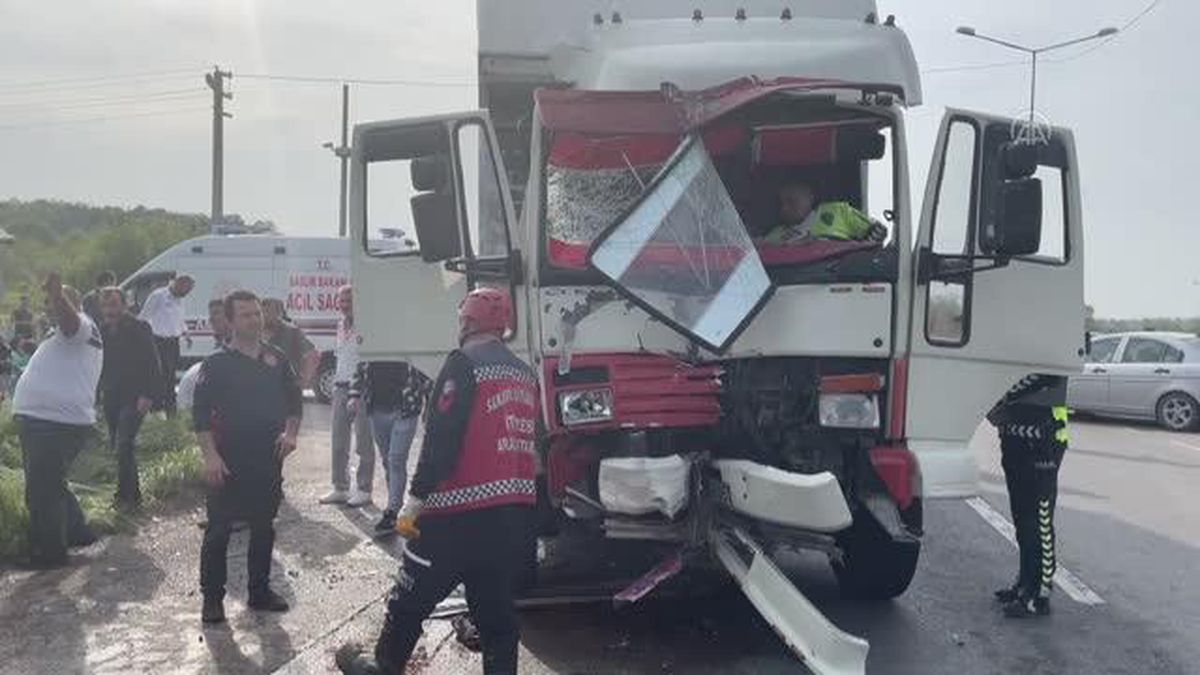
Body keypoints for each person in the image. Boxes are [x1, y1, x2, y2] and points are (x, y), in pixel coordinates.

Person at [336, 287, 540, 675]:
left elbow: (442, 436)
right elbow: (533, 447)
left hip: (453, 515)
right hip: (508, 518)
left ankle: (382, 666)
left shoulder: (463, 363)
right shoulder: (524, 374)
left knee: (408, 603)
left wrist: (416, 498)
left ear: (466, 322)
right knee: (496, 615)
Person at [193, 290, 302, 624]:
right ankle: (212, 599)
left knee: (263, 527)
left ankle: (259, 592)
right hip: (226, 460)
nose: (254, 319)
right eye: (245, 315)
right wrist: (210, 457)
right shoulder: (216, 365)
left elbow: (294, 401)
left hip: (266, 457)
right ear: (230, 320)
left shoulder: (276, 359)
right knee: (218, 532)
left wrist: (291, 434)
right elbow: (199, 417)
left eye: (256, 313)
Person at [11, 273, 104, 568]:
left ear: (71, 303)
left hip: (53, 423)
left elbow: (70, 320)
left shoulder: (81, 325)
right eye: (48, 301)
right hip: (44, 421)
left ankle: (50, 554)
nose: (49, 306)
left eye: (54, 301)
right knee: (51, 483)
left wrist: (57, 294)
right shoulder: (63, 335)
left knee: (43, 490)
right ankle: (78, 532)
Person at [987, 374, 1069, 618]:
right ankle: (1024, 582)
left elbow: (1042, 376)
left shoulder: (1051, 344)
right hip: (1016, 436)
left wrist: (997, 394)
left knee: (1039, 519)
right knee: (1023, 518)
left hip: (1043, 439)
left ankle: (1038, 593)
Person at [349, 360, 432, 536]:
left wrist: (430, 403)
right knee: (388, 460)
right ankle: (395, 504)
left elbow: (425, 371)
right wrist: (354, 395)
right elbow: (360, 368)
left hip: (405, 409)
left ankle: (393, 511)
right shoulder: (376, 344)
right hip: (377, 409)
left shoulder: (407, 340)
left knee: (396, 460)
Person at [98, 287, 162, 509]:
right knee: (118, 445)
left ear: (124, 306)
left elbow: (153, 364)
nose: (109, 310)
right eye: (105, 305)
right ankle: (125, 493)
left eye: (114, 304)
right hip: (112, 396)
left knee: (123, 444)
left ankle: (130, 498)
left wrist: (148, 395)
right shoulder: (102, 330)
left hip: (135, 397)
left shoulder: (139, 328)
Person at [320, 285, 375, 508]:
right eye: (341, 301)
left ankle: (364, 489)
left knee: (363, 440)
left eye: (348, 301)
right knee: (338, 440)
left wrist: (360, 388)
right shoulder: (340, 323)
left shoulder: (368, 324)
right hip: (340, 386)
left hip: (361, 388)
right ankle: (340, 487)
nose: (343, 305)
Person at [762, 181, 887, 244]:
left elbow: (876, 233)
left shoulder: (838, 211)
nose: (785, 208)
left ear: (810, 196)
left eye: (792, 201)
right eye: (781, 203)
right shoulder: (776, 234)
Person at [138, 274, 194, 415]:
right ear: (178, 284)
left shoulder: (179, 300)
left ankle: (170, 411)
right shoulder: (159, 296)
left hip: (173, 342)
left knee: (171, 376)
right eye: (185, 291)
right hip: (158, 341)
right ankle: (158, 409)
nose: (185, 295)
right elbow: (144, 317)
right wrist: (143, 339)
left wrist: (186, 333)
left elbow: (180, 318)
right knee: (160, 377)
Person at [262, 298, 320, 389]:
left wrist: (304, 379)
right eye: (262, 312)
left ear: (279, 313)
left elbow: (312, 354)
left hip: (287, 386)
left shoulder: (292, 332)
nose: (264, 315)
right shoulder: (255, 332)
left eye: (269, 311)